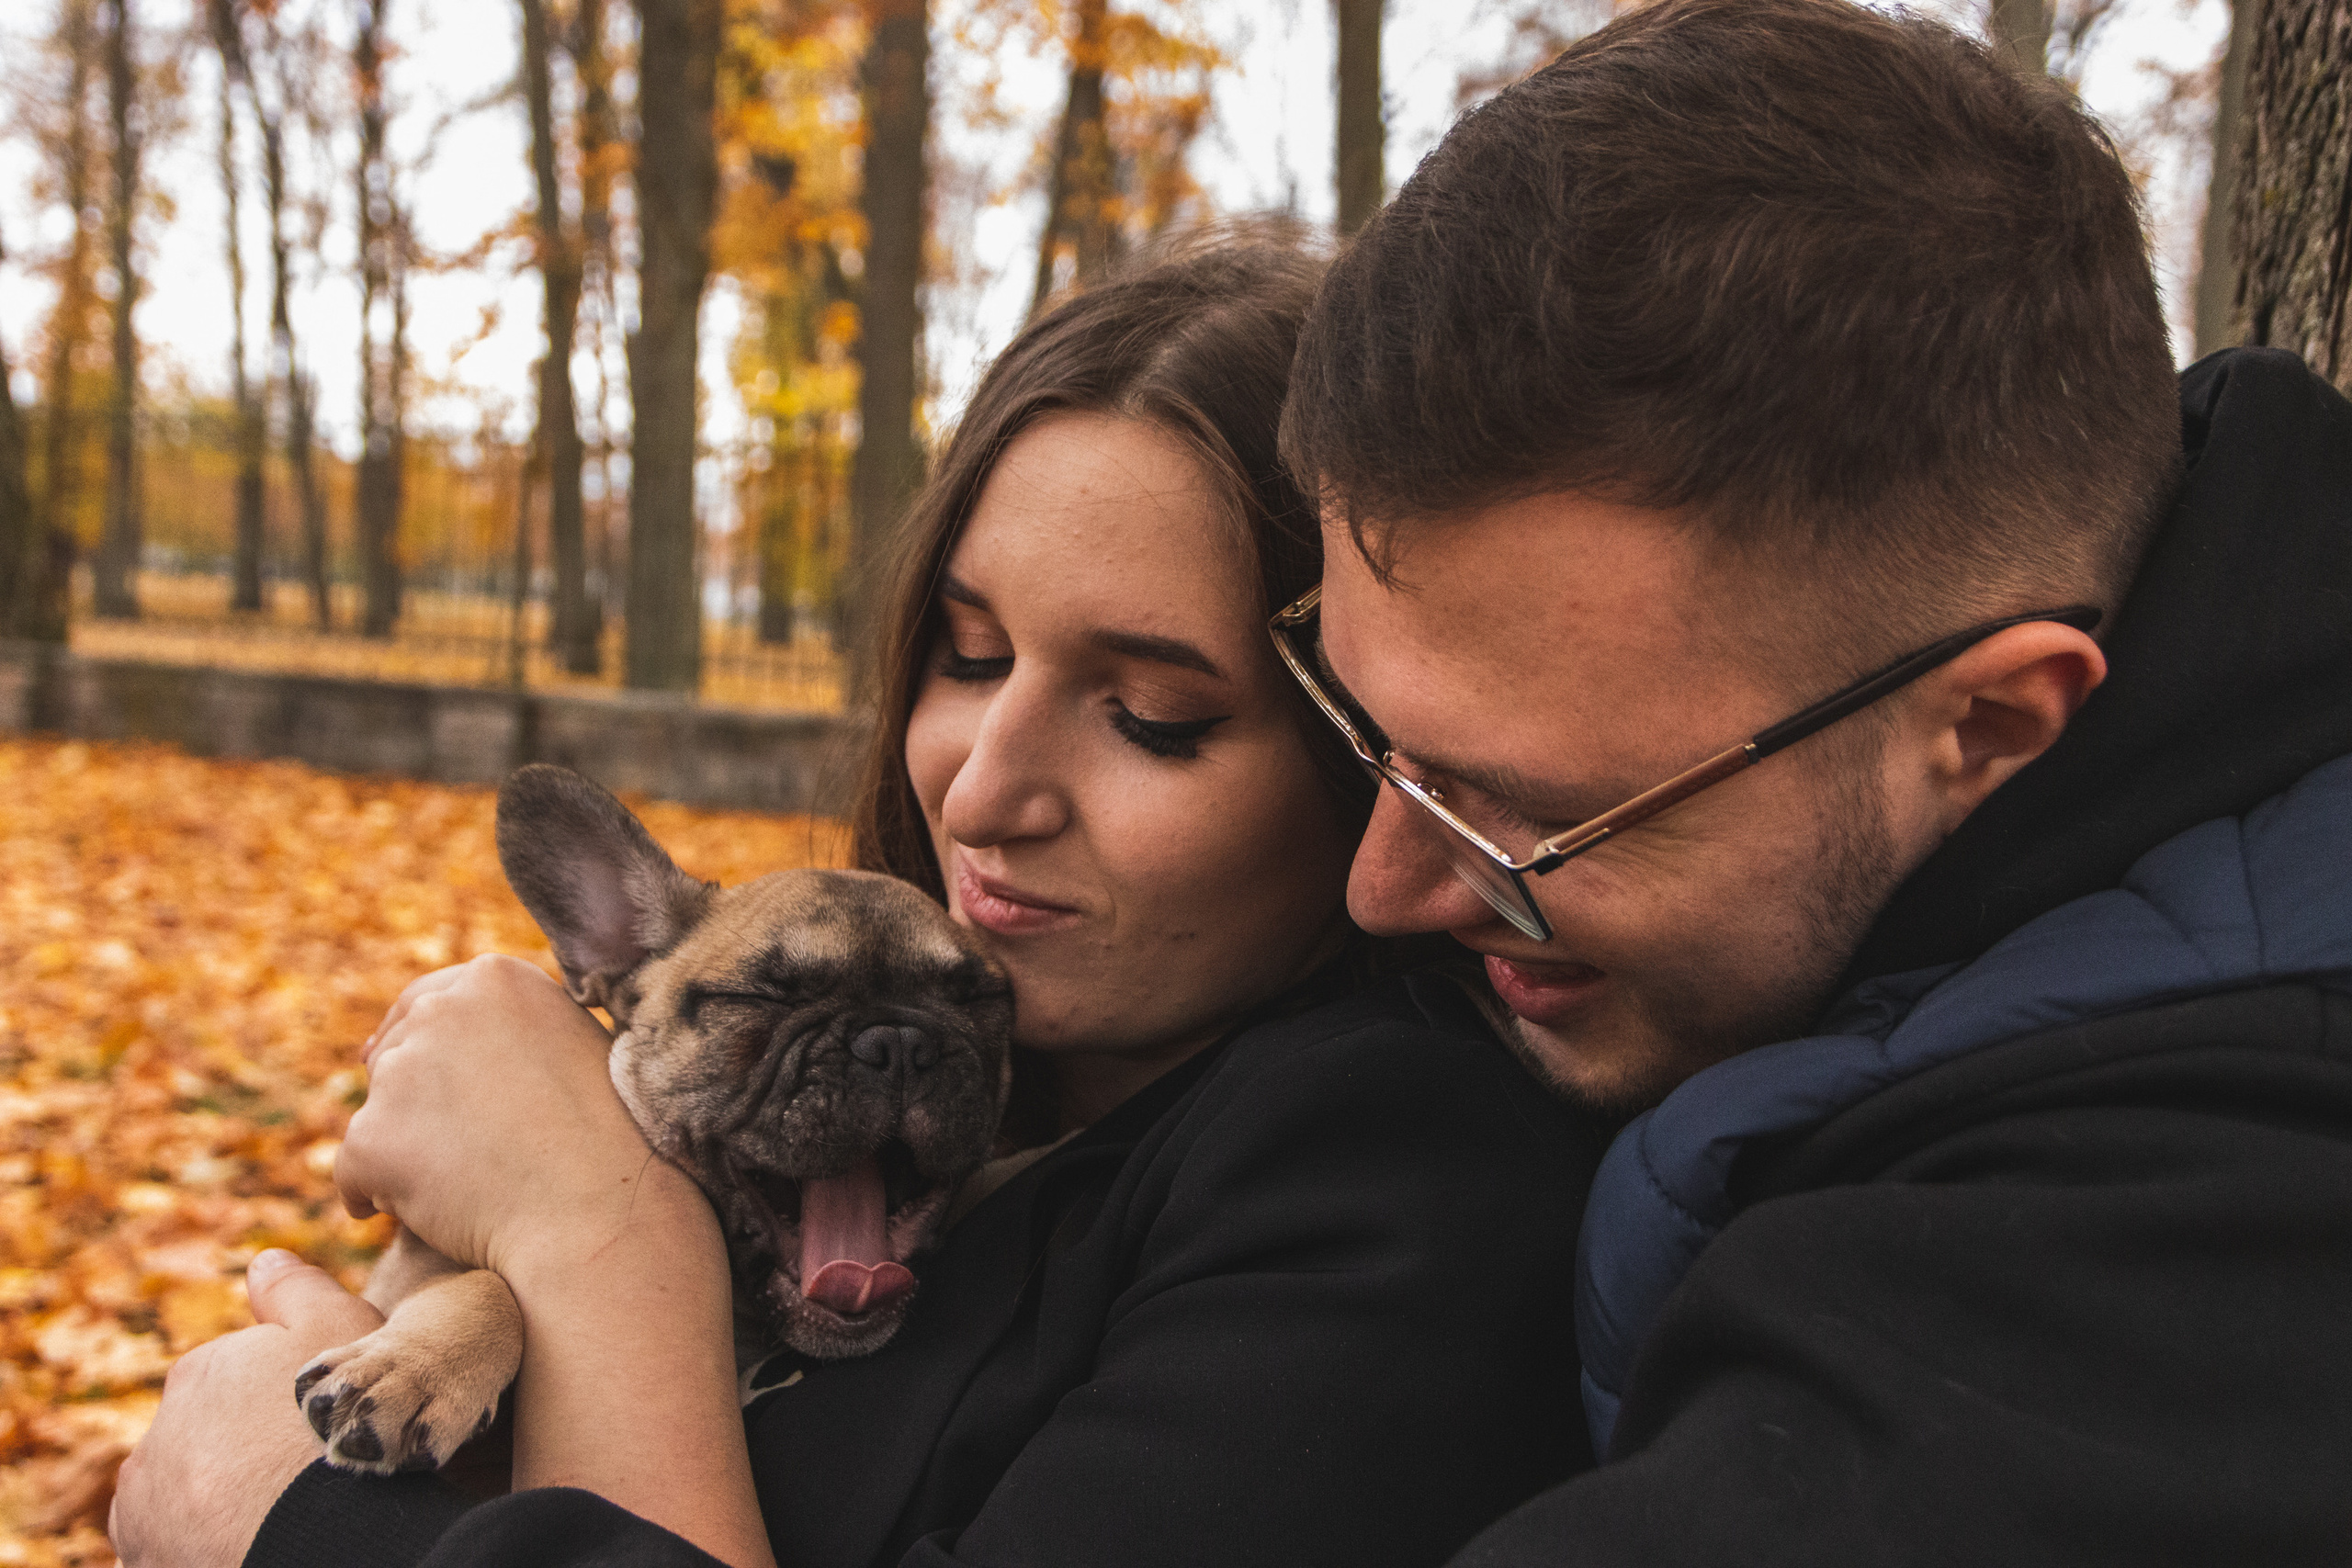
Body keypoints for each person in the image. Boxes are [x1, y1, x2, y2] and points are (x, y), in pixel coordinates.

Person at [109, 240, 1609, 1568]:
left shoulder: (1392, 1190)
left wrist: (306, 1510)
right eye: (965, 657)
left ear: (1365, 761)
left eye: (1150, 712)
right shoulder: (979, 1096)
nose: (979, 791)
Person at [1273, 0, 2352, 1562]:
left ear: (1988, 724)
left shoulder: (2212, 1230)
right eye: (1366, 730)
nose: (1382, 886)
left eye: (1526, 808)